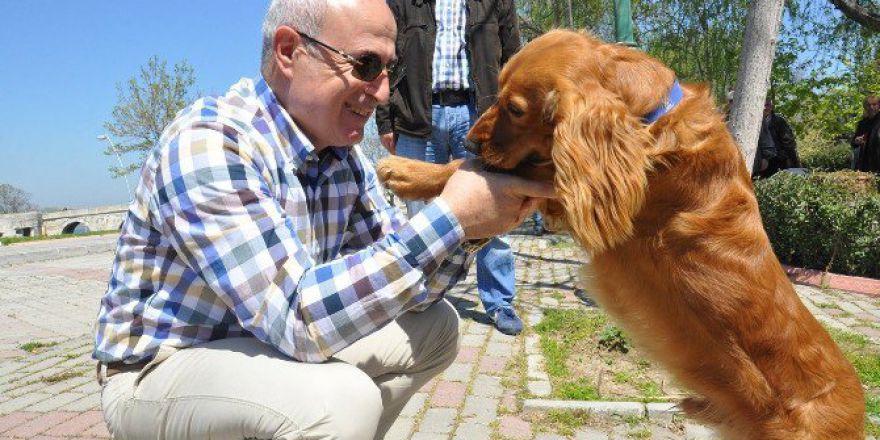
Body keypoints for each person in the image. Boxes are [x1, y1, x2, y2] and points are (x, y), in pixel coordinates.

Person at [91, 1, 554, 439]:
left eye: (390, 70)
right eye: (367, 65)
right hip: (159, 371)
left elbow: (414, 291)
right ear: (290, 51)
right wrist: (450, 216)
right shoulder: (210, 143)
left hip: (269, 343)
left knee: (436, 328)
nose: (383, 91)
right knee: (339, 402)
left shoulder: (341, 159)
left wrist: (473, 229)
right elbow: (297, 321)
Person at [375, 0, 525, 335]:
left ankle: (500, 300)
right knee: (417, 215)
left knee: (495, 205)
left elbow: (515, 58)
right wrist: (385, 120)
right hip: (417, 117)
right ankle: (416, 299)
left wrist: (513, 124)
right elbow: (384, 56)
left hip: (479, 116)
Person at [754, 97, 800, 179]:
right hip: (762, 160)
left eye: (767, 105)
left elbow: (789, 141)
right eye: (763, 105)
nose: (765, 108)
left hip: (779, 159)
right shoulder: (753, 121)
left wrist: (783, 156)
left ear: (772, 107)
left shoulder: (779, 121)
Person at [853, 95, 880, 172]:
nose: (871, 107)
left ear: (879, 105)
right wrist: (856, 140)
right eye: (868, 105)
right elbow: (853, 143)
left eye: (874, 104)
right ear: (865, 107)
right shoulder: (862, 123)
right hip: (865, 164)